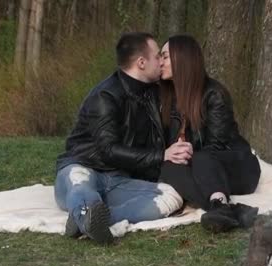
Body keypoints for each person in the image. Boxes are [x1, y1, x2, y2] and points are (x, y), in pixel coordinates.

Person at [55, 32, 188, 245]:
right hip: (84, 167)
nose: (162, 61)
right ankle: (87, 213)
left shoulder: (155, 94)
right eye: (158, 57)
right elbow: (108, 150)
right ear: (142, 63)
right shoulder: (106, 96)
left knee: (171, 196)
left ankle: (90, 219)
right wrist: (162, 155)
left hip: (119, 179)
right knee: (81, 186)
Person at [158, 35, 261, 233]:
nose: (160, 62)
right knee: (168, 167)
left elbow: (217, 145)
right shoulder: (168, 97)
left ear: (182, 59)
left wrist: (186, 152)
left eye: (165, 56)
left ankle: (221, 207)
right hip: (204, 175)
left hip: (235, 168)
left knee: (202, 157)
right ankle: (223, 208)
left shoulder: (214, 94)